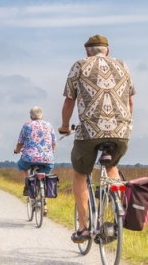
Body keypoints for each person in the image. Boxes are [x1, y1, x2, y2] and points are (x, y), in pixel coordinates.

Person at [58, 35, 135, 243]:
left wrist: (65, 127)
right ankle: (116, 215)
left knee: (80, 174)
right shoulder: (122, 65)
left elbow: (69, 102)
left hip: (90, 132)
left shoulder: (80, 66)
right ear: (107, 51)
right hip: (121, 131)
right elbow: (129, 102)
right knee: (112, 168)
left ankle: (83, 227)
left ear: (87, 52)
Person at [14, 106, 57, 215]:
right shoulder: (48, 125)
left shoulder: (27, 125)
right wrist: (52, 152)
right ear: (42, 116)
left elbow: (20, 142)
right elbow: (54, 142)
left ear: (31, 116)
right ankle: (45, 205)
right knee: (46, 178)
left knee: (21, 166)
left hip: (29, 158)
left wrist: (17, 150)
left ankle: (28, 185)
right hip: (47, 158)